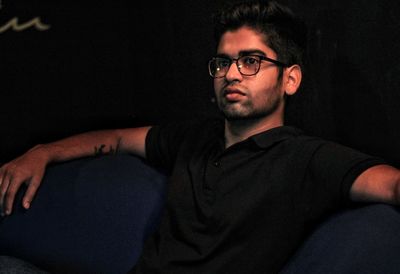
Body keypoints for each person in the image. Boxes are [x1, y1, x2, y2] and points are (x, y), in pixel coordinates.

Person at [0, 0, 399, 273]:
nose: (231, 74)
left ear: (289, 79)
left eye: (251, 61)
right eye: (223, 62)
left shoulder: (305, 159)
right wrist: (42, 152)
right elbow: (118, 139)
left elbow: (392, 184)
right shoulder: (193, 138)